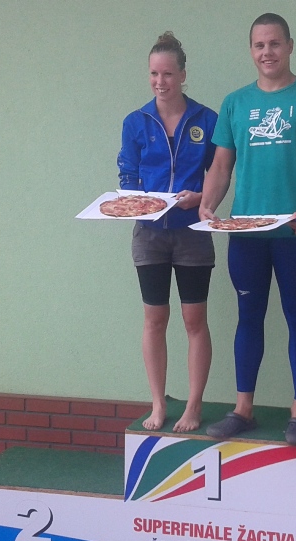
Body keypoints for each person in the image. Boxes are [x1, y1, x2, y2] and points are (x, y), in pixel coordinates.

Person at [200, 13, 296, 446]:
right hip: (246, 233)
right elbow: (221, 166)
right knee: (248, 318)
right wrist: (208, 204)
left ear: (290, 46)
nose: (268, 52)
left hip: (295, 235)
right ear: (251, 51)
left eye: (275, 43)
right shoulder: (235, 103)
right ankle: (243, 409)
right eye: (260, 45)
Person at [118, 32, 218, 432]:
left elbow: (220, 173)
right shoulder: (135, 122)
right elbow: (127, 173)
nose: (160, 82)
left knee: (194, 320)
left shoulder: (207, 120)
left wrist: (203, 198)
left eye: (168, 74)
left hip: (192, 232)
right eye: (154, 74)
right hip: (149, 235)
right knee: (154, 319)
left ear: (183, 75)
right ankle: (158, 404)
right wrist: (138, 200)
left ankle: (193, 405)